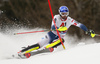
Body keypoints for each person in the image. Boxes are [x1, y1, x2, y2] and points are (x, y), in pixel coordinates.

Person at [17, 6, 95, 58]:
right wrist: (59, 29)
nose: (64, 16)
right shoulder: (56, 17)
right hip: (51, 35)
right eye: (63, 14)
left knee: (62, 40)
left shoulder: (69, 20)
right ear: (60, 13)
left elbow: (79, 24)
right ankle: (22, 52)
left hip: (59, 38)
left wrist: (87, 31)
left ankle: (48, 48)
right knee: (38, 45)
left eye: (66, 14)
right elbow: (53, 27)